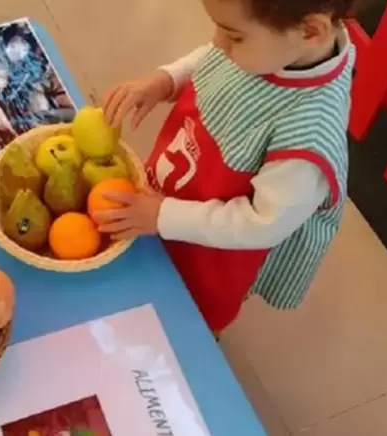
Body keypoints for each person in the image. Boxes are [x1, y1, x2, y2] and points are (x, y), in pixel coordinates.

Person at [98, 0, 361, 335]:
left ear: (311, 31)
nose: (218, 43)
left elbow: (259, 224)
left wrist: (163, 216)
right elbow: (211, 58)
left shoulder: (308, 140)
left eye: (234, 36)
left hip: (208, 256)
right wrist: (167, 80)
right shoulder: (279, 47)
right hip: (170, 193)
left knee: (176, 322)